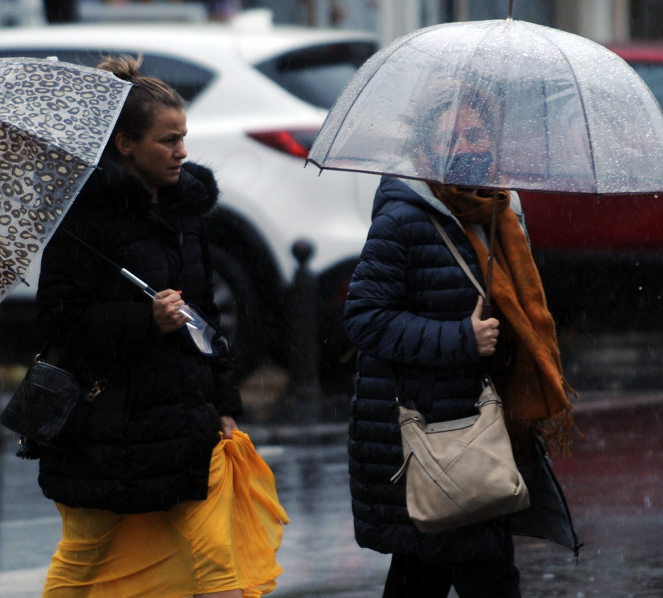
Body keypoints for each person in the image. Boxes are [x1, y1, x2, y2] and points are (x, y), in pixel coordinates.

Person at [34, 55, 288, 598]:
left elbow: (208, 319)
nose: (182, 152)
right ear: (125, 144)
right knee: (82, 562)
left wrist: (224, 406)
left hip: (185, 421)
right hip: (106, 429)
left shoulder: (185, 213)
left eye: (184, 137)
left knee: (217, 566)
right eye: (167, 140)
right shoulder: (81, 220)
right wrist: (144, 320)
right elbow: (59, 321)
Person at [342, 88, 576, 597]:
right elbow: (365, 320)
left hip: (481, 429)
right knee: (441, 570)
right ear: (426, 151)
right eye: (454, 137)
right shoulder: (402, 220)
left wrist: (508, 344)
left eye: (477, 133)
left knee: (457, 572)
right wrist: (460, 339)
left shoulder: (499, 216)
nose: (470, 146)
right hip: (426, 437)